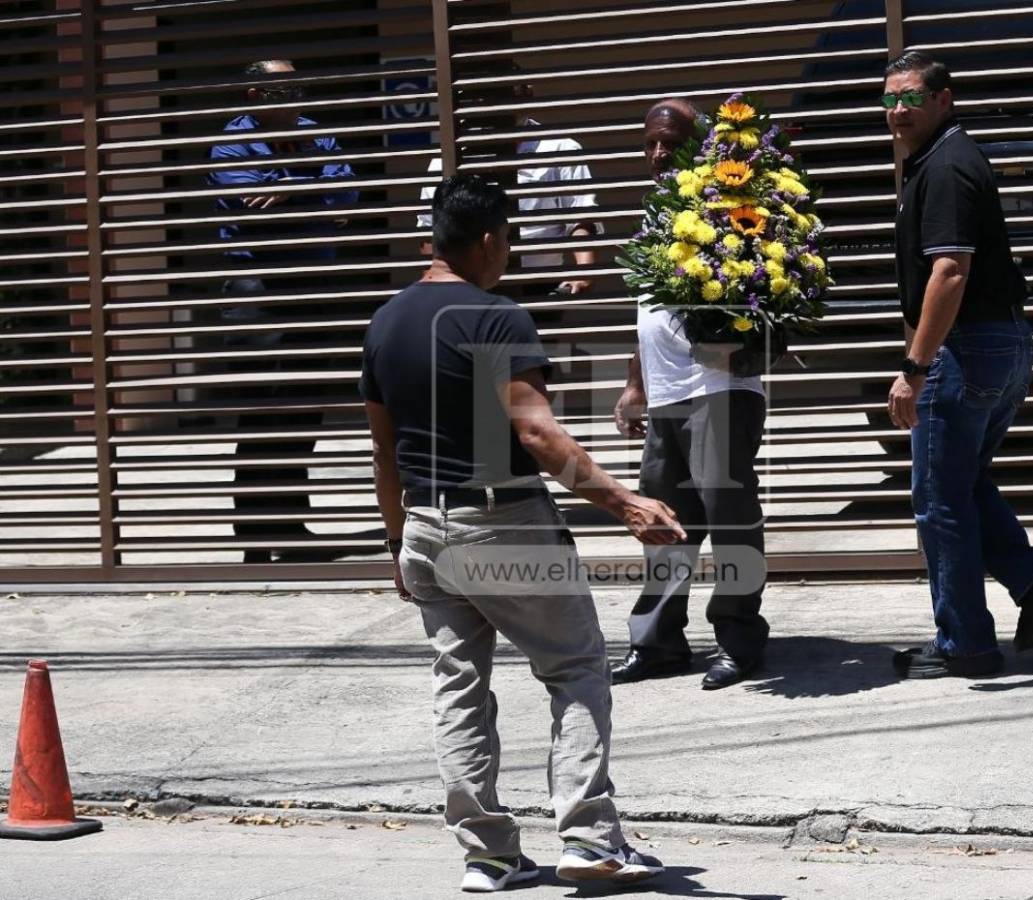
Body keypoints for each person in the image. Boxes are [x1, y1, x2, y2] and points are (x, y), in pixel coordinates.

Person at [362, 174, 682, 892]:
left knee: (459, 687)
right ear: (486, 241)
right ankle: (590, 838)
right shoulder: (497, 316)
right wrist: (624, 501)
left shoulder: (383, 323)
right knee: (575, 669)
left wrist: (394, 543)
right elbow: (535, 430)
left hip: (424, 527)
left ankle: (488, 856)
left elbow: (383, 451)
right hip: (501, 522)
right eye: (506, 242)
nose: (506, 255)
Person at [881, 51, 1033, 679]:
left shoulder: (946, 167)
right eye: (889, 100)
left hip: (968, 350)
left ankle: (965, 644)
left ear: (943, 99)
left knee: (939, 500)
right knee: (960, 483)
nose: (897, 111)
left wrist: (914, 366)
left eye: (910, 97)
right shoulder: (945, 159)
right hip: (1001, 343)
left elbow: (950, 269)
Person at [609, 99, 770, 691]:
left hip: (719, 386)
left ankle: (738, 640)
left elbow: (765, 289)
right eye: (649, 143)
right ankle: (658, 645)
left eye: (669, 142)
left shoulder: (735, 206)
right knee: (660, 521)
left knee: (729, 521)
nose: (656, 154)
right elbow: (648, 310)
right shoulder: (656, 211)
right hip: (667, 393)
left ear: (697, 145)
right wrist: (634, 384)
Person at [209, 59, 359, 563]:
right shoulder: (232, 144)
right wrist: (313, 189)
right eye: (283, 87)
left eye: (299, 84)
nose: (296, 94)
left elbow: (348, 198)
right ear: (255, 94)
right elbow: (252, 211)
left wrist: (294, 189)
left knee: (304, 410)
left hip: (312, 287)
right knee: (262, 413)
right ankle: (254, 533)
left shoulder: (318, 135)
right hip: (259, 296)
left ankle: (291, 524)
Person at [417, 80, 599, 296]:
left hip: (541, 286)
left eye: (509, 91)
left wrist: (582, 272)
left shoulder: (559, 148)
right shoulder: (449, 159)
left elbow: (581, 218)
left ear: (527, 94)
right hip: (468, 288)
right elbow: (430, 231)